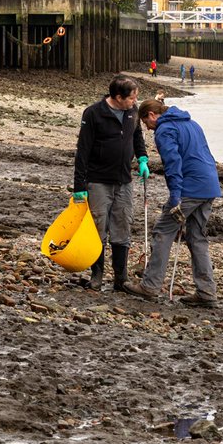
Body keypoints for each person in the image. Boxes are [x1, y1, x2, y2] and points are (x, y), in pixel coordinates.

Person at [124, 100, 222, 307]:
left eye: (145, 123)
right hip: (209, 184)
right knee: (197, 237)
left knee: (163, 232)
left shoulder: (165, 130)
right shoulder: (192, 124)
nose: (148, 129)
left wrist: (175, 197)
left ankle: (150, 285)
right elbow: (206, 154)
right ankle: (206, 292)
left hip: (190, 188)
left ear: (152, 115)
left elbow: (173, 163)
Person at [72, 75, 150, 291]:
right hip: (98, 181)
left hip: (124, 180)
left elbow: (137, 137)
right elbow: (83, 151)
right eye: (132, 98)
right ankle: (96, 275)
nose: (135, 102)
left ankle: (120, 278)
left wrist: (142, 158)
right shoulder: (94, 113)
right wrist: (79, 187)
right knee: (98, 228)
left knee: (123, 226)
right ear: (118, 96)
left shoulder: (131, 112)